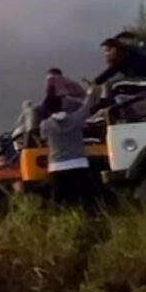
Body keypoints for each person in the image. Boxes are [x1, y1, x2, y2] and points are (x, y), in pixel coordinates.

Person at [35, 67, 98, 208]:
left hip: (57, 167)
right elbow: (87, 106)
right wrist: (92, 90)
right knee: (85, 202)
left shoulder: (45, 125)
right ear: (64, 105)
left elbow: (43, 140)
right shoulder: (76, 119)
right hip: (79, 164)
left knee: (59, 205)